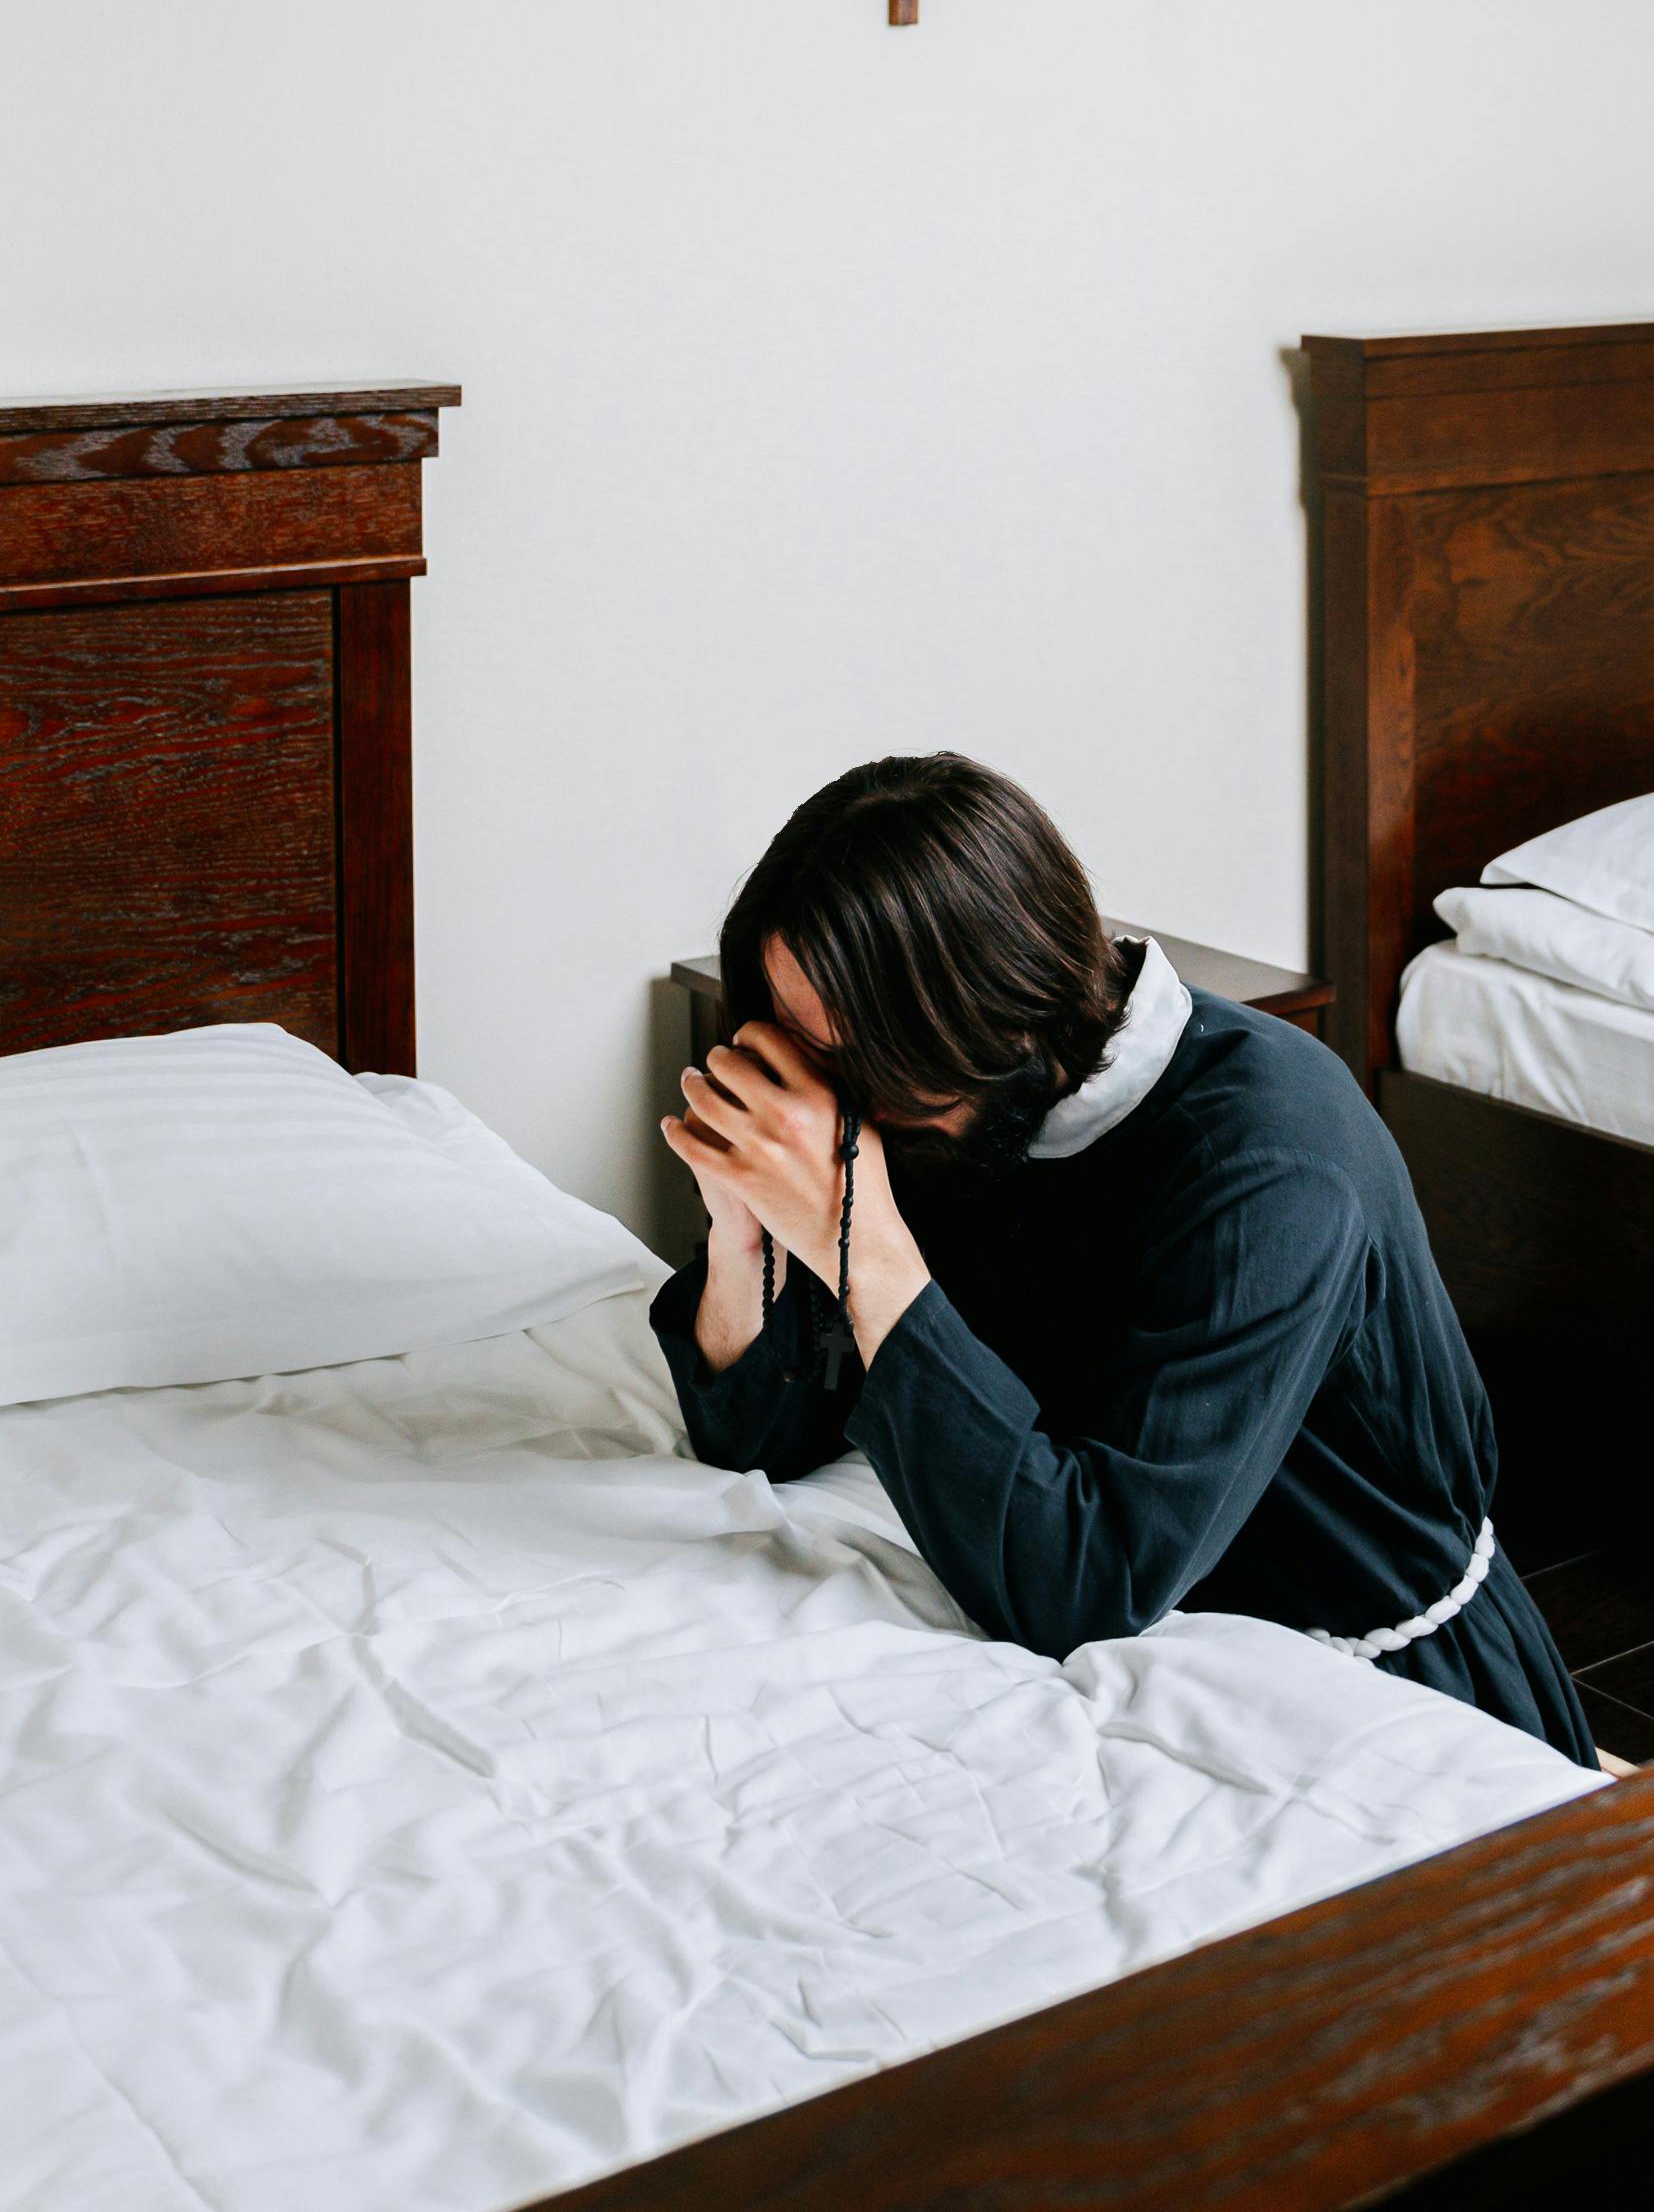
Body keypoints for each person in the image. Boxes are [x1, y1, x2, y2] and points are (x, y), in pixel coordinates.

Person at [652, 752, 1596, 1763]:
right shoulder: (939, 1104)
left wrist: (860, 1237)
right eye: (798, 1037)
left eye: (851, 1053)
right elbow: (754, 1433)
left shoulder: (1268, 1168)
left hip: (1369, 1682)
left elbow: (1080, 1581)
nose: (822, 1086)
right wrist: (746, 1224)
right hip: (1161, 1652)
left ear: (996, 1013)